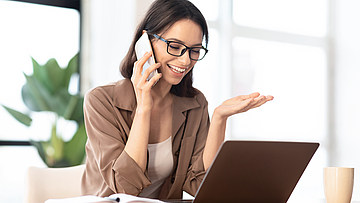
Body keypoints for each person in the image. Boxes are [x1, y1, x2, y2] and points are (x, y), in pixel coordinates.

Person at [81, 0, 273, 200]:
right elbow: (125, 188)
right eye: (174, 46)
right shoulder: (101, 101)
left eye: (195, 50)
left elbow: (199, 186)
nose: (185, 60)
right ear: (145, 42)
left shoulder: (195, 104)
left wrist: (218, 119)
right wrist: (144, 107)